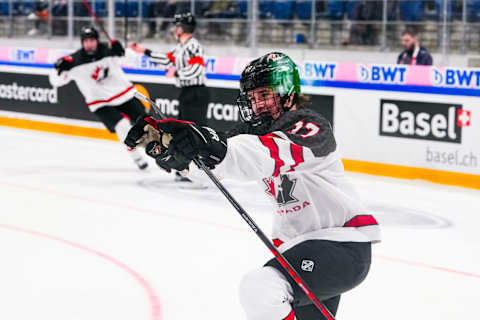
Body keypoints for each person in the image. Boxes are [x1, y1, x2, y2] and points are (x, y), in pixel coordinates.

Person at [124, 52, 381, 319]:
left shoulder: (309, 126)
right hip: (302, 250)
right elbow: (217, 163)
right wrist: (171, 149)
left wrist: (211, 146)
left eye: (265, 95)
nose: (258, 105)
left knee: (260, 289)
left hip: (342, 246)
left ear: (288, 94)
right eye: (253, 98)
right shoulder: (252, 135)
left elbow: (257, 154)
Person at [49, 26, 149, 170]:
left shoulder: (109, 50)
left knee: (148, 123)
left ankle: (164, 154)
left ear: (97, 40)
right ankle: (136, 156)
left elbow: (132, 60)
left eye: (92, 40)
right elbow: (55, 82)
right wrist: (57, 70)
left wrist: (122, 51)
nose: (89, 43)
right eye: (86, 41)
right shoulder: (74, 61)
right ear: (82, 42)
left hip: (123, 93)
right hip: (100, 102)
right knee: (122, 126)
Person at [129, 12, 209, 182]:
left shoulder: (193, 46)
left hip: (196, 93)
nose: (175, 29)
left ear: (184, 28)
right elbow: (166, 60)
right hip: (187, 92)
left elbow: (197, 69)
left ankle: (199, 169)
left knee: (193, 131)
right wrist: (143, 51)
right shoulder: (180, 48)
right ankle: (185, 168)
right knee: (184, 131)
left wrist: (177, 71)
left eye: (177, 25)